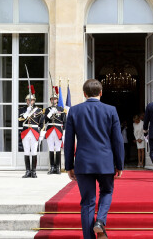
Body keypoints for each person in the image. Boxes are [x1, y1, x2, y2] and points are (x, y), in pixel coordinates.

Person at [64, 79, 124, 239]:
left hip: (83, 163)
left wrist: (69, 165)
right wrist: (120, 164)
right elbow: (117, 140)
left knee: (87, 203)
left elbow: (69, 141)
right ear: (101, 93)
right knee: (107, 191)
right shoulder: (111, 110)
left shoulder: (74, 111)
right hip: (105, 161)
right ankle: (100, 221)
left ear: (84, 94)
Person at [18, 85, 44, 178]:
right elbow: (19, 119)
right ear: (26, 101)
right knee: (26, 151)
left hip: (34, 131)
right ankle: (27, 171)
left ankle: (34, 171)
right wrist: (26, 113)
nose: (30, 101)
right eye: (28, 100)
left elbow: (41, 123)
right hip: (25, 131)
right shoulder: (22, 109)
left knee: (34, 151)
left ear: (34, 101)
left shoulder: (39, 110)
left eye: (31, 100)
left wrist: (41, 133)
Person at [42, 87, 67, 174]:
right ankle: (52, 167)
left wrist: (64, 131)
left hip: (58, 130)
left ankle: (58, 168)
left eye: (55, 99)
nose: (54, 100)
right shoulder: (47, 109)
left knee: (58, 149)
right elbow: (45, 119)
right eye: (52, 99)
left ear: (57, 100)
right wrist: (50, 113)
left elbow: (65, 121)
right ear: (50, 100)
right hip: (50, 130)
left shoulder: (61, 109)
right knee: (51, 149)